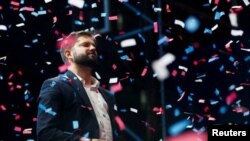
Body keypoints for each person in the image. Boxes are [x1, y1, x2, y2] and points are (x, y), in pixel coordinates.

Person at [37, 30, 122, 141]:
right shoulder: (56, 85)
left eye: (93, 46)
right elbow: (45, 133)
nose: (92, 48)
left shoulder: (107, 95)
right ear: (69, 54)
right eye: (85, 45)